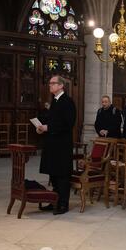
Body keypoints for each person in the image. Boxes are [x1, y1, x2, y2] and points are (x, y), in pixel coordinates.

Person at [37, 76, 76, 215]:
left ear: (60, 86)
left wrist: (49, 127)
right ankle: (55, 201)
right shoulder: (55, 101)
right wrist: (42, 127)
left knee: (62, 176)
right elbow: (52, 119)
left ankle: (63, 204)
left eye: (52, 83)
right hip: (53, 145)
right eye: (50, 84)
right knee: (53, 175)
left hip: (62, 146)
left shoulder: (67, 102)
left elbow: (67, 124)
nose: (50, 86)